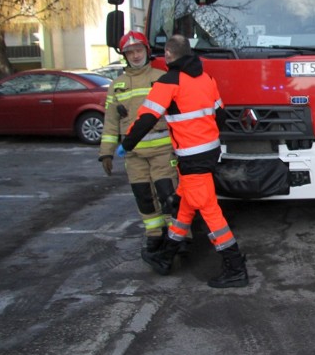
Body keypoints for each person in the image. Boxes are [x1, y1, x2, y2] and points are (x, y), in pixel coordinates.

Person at [119, 34, 248, 288]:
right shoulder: (206, 78)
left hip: (191, 158)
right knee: (184, 207)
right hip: (208, 153)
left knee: (211, 213)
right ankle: (165, 257)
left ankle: (235, 268)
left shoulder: (168, 82)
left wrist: (126, 144)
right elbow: (221, 115)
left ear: (168, 54)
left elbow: (146, 119)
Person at [98, 31, 177, 255]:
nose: (134, 56)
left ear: (147, 51)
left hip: (163, 150)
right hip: (133, 156)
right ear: (124, 55)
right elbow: (111, 123)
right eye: (130, 52)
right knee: (143, 197)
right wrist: (106, 153)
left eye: (138, 50)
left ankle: (178, 238)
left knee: (169, 195)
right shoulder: (117, 86)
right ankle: (154, 235)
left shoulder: (162, 77)